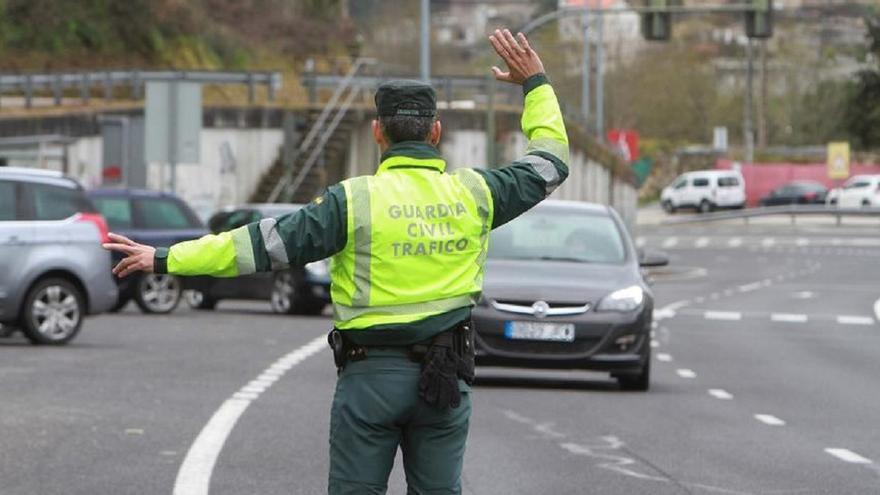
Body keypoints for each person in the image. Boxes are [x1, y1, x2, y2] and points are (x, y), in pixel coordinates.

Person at [104, 28, 569, 495]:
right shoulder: (477, 194)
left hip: (369, 381)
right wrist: (537, 84)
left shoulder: (352, 201)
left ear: (377, 132)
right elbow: (550, 163)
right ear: (436, 132)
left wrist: (165, 258)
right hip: (445, 380)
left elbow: (258, 246)